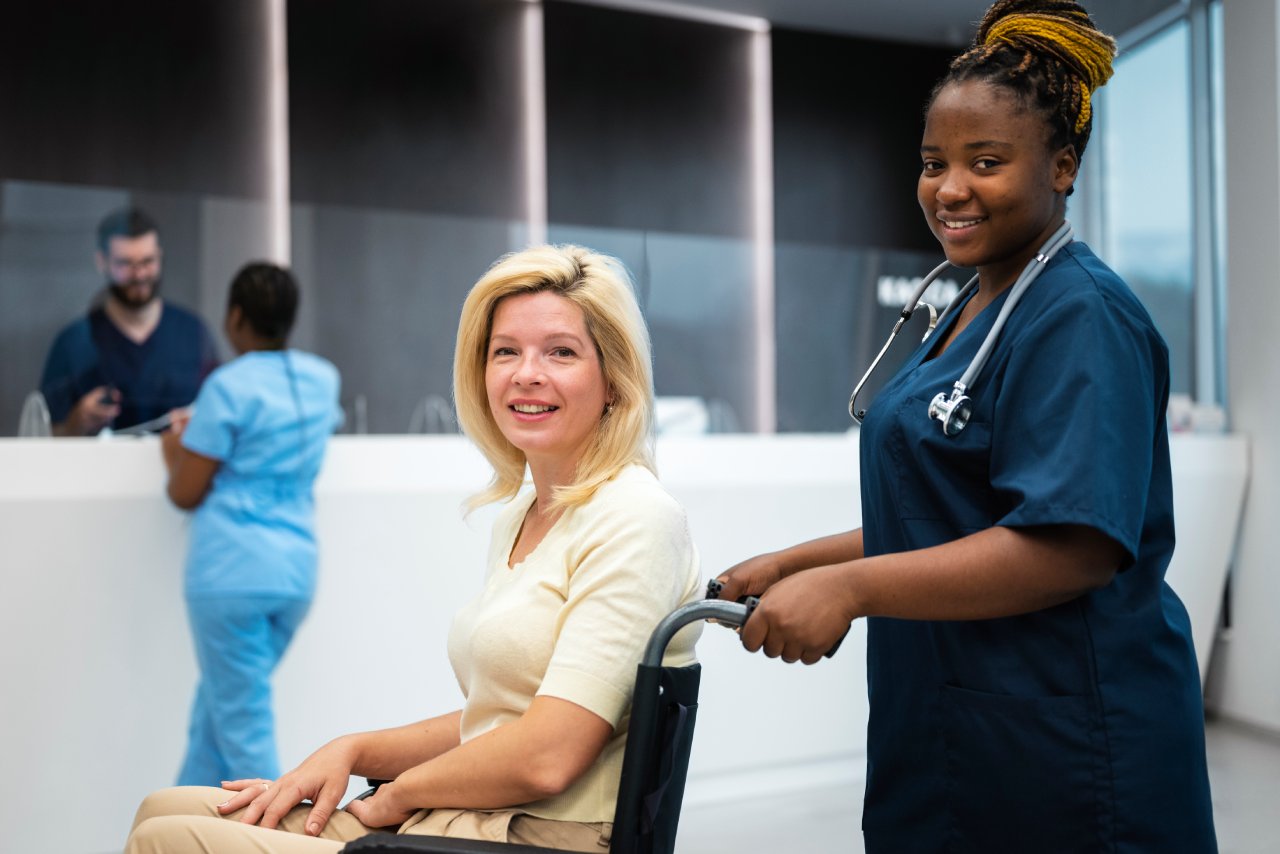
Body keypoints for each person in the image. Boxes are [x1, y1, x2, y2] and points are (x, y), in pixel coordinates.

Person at [713, 2, 1218, 852]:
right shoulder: (970, 303)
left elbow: (1071, 542)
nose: (950, 188)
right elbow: (948, 509)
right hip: (958, 728)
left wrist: (851, 589)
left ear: (1062, 167)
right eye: (933, 162)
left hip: (1066, 751)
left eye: (986, 162)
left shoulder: (1082, 316)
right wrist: (798, 562)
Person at [126, 245, 702, 853]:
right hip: (462, 816)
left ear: (613, 378)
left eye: (561, 351)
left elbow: (547, 755)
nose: (526, 373)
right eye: (506, 351)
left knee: (173, 840)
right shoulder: (523, 516)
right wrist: (352, 750)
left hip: (531, 835)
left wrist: (396, 794)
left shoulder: (636, 519)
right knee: (159, 808)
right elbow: (496, 721)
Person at [160, 262, 343, 787]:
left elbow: (185, 491)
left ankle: (278, 841)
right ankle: (177, 827)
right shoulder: (321, 378)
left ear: (235, 317)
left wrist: (174, 447)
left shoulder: (226, 387)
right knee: (215, 721)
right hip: (294, 577)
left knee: (243, 732)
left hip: (230, 576)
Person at [39, 207, 219, 435]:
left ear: (160, 257)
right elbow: (45, 438)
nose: (140, 274)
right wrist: (75, 424)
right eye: (125, 264)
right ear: (102, 261)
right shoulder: (74, 343)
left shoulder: (194, 334)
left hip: (179, 470)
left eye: (148, 261)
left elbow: (220, 420)